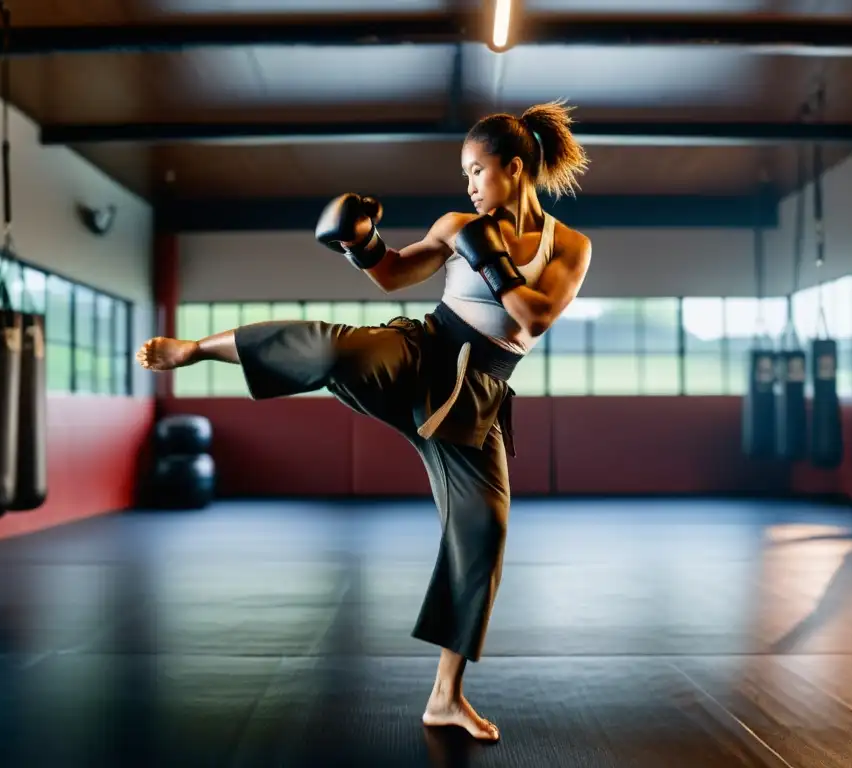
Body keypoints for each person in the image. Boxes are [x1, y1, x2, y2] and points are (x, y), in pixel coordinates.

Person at [136, 99, 593, 742]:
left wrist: (490, 260)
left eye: (476, 172)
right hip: (421, 351)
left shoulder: (569, 245)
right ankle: (198, 349)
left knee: (482, 535)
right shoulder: (458, 222)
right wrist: (362, 243)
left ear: (514, 169)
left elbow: (534, 318)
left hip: (478, 397)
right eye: (464, 174)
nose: (467, 186)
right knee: (333, 349)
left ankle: (445, 696)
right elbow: (393, 275)